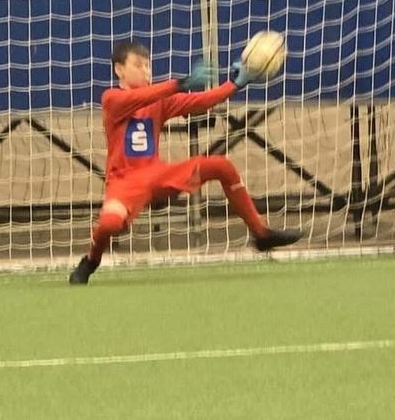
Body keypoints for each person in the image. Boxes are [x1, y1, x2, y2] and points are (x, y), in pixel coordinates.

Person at [69, 41, 302, 285]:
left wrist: (234, 84)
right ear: (119, 70)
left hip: (158, 174)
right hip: (124, 182)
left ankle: (261, 234)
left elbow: (201, 101)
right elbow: (142, 96)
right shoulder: (111, 99)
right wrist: (179, 83)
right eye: (138, 65)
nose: (146, 71)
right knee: (109, 223)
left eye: (149, 66)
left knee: (221, 166)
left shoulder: (159, 101)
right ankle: (90, 261)